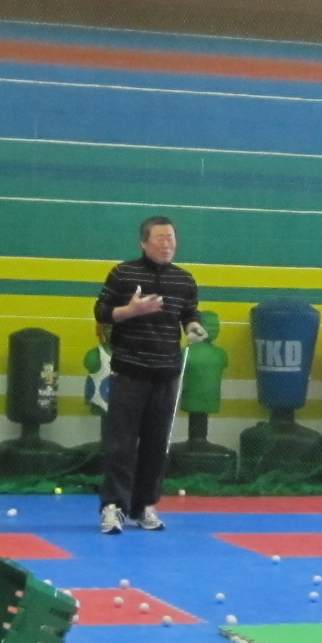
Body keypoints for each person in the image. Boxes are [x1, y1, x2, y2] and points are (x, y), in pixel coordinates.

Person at [92, 215, 199, 535]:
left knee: (156, 445)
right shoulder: (123, 273)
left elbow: (190, 313)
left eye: (171, 238)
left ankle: (143, 506)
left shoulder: (185, 279)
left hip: (166, 374)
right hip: (129, 371)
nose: (167, 244)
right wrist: (129, 311)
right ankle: (114, 507)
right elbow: (101, 311)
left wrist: (193, 326)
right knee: (121, 444)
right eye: (160, 238)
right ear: (143, 242)